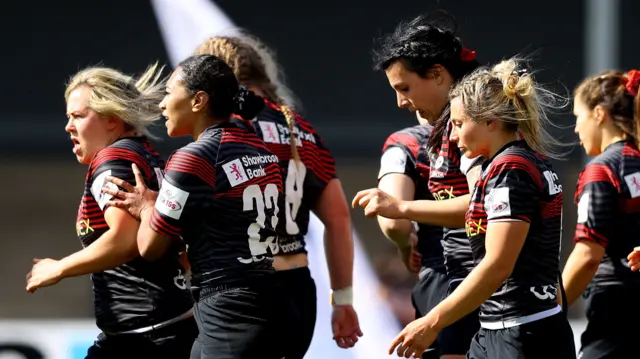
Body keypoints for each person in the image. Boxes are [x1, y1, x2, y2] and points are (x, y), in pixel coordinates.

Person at [103, 54, 291, 359]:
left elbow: (149, 247)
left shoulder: (193, 157)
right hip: (271, 300)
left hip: (229, 313)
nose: (162, 104)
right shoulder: (262, 150)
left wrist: (147, 205)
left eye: (167, 93)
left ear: (198, 100)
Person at [388, 58, 575, 358]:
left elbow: (498, 265)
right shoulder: (506, 165)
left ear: (491, 121)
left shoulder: (511, 168)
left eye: (459, 124)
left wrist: (433, 321)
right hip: (498, 329)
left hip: (522, 333)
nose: (451, 135)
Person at [192, 34, 362, 356]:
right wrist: (342, 300)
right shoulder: (303, 131)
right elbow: (339, 219)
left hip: (241, 293)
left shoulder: (225, 128)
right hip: (298, 291)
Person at [25, 64, 197, 358]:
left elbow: (125, 240)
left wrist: (60, 267)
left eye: (78, 116)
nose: (68, 126)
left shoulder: (113, 159)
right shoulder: (144, 152)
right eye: (68, 117)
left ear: (112, 120)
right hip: (165, 327)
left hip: (146, 338)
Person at [354, 12, 482, 358]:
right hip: (521, 290)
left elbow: (394, 218)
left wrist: (403, 239)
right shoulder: (510, 131)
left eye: (404, 88)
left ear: (438, 74)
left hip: (451, 280)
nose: (400, 102)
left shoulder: (412, 143)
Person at [564, 69, 640, 358]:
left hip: (616, 311)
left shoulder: (602, 170)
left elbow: (587, 256)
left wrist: (553, 309)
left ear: (598, 114)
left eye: (577, 117)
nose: (575, 129)